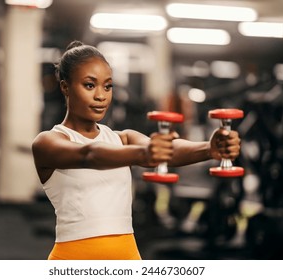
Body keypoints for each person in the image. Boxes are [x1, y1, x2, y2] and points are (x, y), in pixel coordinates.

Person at [31, 40, 241, 260]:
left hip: (128, 257)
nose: (101, 96)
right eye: (90, 85)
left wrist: (209, 148)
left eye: (108, 86)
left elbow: (170, 149)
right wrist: (145, 153)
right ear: (65, 87)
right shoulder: (47, 142)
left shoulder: (122, 138)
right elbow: (88, 155)